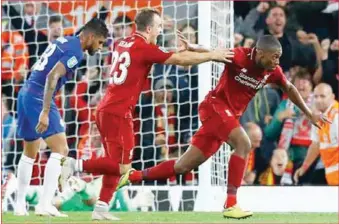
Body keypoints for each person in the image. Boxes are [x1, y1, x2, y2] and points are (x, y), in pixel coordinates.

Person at [116, 35, 330, 219]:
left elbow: (289, 87)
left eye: (279, 57)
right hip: (214, 107)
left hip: (225, 119)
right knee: (244, 144)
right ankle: (231, 204)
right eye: (274, 56)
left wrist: (309, 113)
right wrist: (193, 48)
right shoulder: (240, 56)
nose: (277, 61)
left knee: (183, 166)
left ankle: (133, 176)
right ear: (259, 53)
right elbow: (215, 52)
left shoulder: (272, 71)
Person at [61, 8, 233, 221]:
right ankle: (75, 165)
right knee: (123, 168)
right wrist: (213, 55)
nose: (161, 31)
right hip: (118, 112)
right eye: (159, 27)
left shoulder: (123, 43)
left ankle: (101, 209)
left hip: (106, 109)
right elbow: (180, 60)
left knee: (114, 163)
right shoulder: (143, 47)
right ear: (149, 28)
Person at [15, 18, 108, 217]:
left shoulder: (64, 41)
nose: (100, 48)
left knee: (30, 150)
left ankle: (19, 205)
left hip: (26, 91)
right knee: (61, 149)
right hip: (39, 96)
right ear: (90, 36)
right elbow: (52, 76)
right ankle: (45, 204)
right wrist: (46, 111)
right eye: (100, 42)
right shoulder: (76, 51)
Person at [294, 83, 338, 186]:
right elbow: (316, 145)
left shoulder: (336, 116)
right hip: (331, 173)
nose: (318, 100)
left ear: (332, 97)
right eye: (316, 96)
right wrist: (304, 167)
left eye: (322, 96)